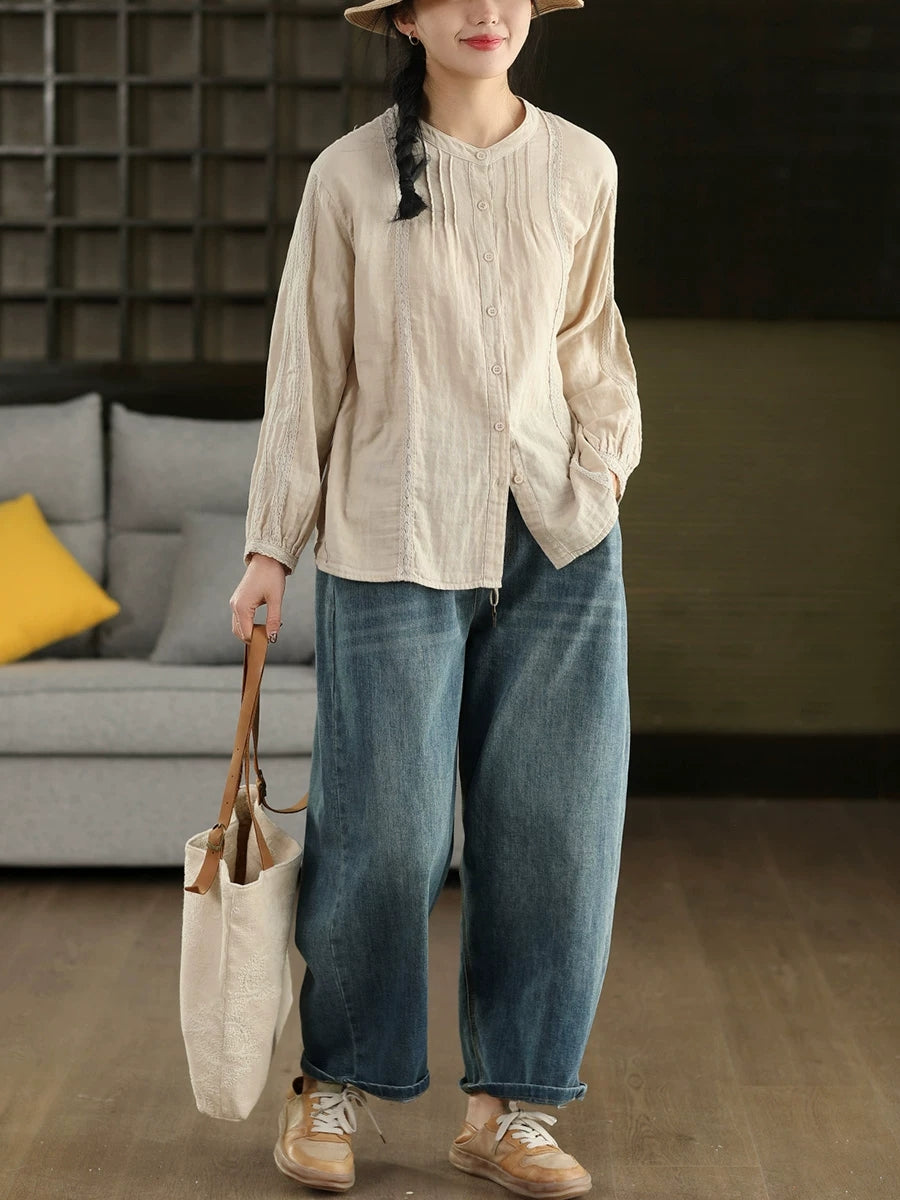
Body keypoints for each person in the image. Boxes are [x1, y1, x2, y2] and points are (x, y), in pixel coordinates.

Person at [229, 0, 641, 1192]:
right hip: (391, 533)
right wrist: (271, 545)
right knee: (386, 833)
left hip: (559, 538)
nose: (487, 10)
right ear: (408, 19)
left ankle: (511, 1107)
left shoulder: (583, 164)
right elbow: (308, 363)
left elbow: (591, 341)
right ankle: (334, 1084)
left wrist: (603, 474)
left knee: (557, 833)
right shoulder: (350, 174)